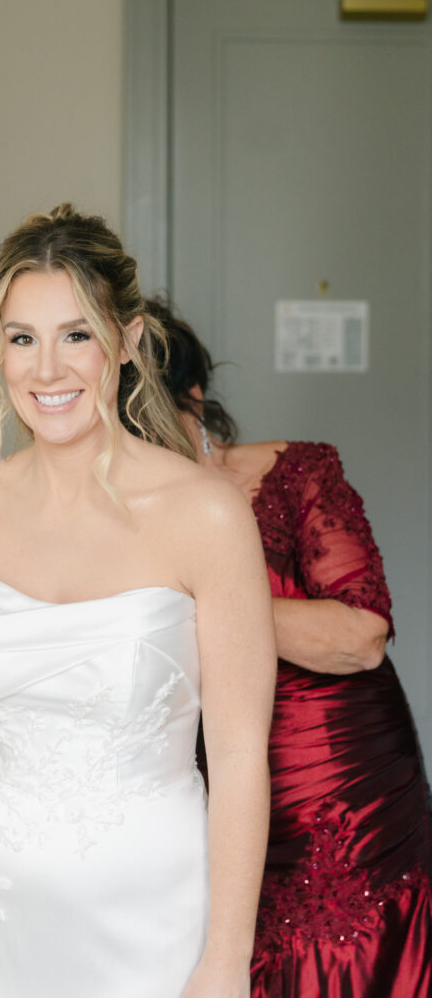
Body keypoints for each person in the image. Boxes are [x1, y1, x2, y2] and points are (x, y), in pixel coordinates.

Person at [0, 205, 277, 998]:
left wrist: (224, 957)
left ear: (125, 342)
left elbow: (235, 754)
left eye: (76, 335)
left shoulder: (205, 514)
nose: (47, 370)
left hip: (149, 919)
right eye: (22, 338)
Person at [145, 296, 432, 998]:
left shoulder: (295, 471)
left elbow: (360, 637)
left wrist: (210, 595)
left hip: (343, 777)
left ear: (194, 396)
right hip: (214, 782)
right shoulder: (127, 516)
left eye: (158, 418)